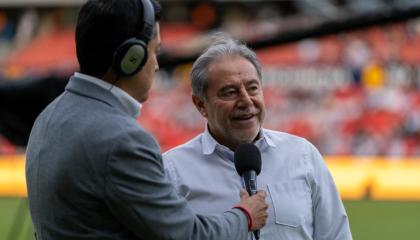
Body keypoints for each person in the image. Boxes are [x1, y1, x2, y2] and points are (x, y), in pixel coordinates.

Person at [25, 1, 268, 239]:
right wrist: (245, 216)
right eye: (155, 51)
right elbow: (186, 234)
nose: (156, 64)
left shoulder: (48, 116)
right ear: (131, 57)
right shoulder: (121, 139)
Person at [163, 34, 353, 240]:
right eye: (229, 92)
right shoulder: (173, 171)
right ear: (201, 104)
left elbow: (336, 235)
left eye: (253, 88)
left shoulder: (302, 155)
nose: (246, 100)